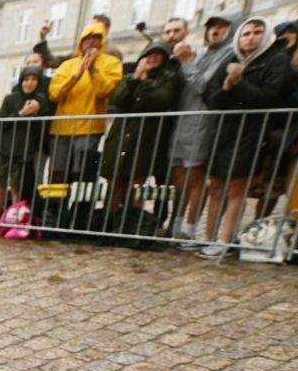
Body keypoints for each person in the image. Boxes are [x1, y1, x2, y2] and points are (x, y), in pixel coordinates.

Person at [199, 16, 292, 259]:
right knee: (215, 185)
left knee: (236, 188)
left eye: (256, 32)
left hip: (251, 132)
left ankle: (225, 240)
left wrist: (238, 84)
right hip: (223, 129)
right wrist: (228, 86)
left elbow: (269, 98)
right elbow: (211, 96)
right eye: (246, 33)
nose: (250, 38)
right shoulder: (231, 58)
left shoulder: (276, 59)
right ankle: (208, 237)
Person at [167, 13, 238, 246]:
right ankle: (176, 225)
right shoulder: (204, 53)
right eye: (211, 27)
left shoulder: (229, 54)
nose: (214, 31)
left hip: (201, 124)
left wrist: (187, 62)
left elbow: (203, 87)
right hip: (183, 122)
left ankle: (189, 229)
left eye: (221, 27)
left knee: (195, 179)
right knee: (179, 179)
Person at [100, 41, 184, 214]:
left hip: (145, 136)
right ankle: (109, 221)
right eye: (149, 54)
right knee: (115, 182)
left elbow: (160, 99)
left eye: (157, 54)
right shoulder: (129, 77)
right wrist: (135, 79)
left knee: (136, 184)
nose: (152, 58)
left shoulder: (168, 78)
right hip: (121, 134)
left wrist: (143, 83)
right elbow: (118, 99)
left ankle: (132, 221)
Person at [47, 21, 123, 188]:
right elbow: (54, 93)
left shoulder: (112, 63)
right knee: (57, 173)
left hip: (90, 129)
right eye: (87, 38)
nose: (91, 41)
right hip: (62, 129)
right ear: (80, 42)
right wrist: (76, 76)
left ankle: (80, 204)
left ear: (102, 41)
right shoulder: (67, 65)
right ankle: (54, 203)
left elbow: (106, 91)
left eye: (96, 37)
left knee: (81, 174)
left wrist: (92, 69)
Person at [0, 65, 52, 220]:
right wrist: (21, 114)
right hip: (5, 149)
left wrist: (36, 114)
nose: (29, 83)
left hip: (24, 152)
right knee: (0, 187)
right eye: (26, 79)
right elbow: (1, 122)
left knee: (17, 188)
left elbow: (43, 128)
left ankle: (16, 221)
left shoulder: (41, 101)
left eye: (33, 79)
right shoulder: (10, 99)